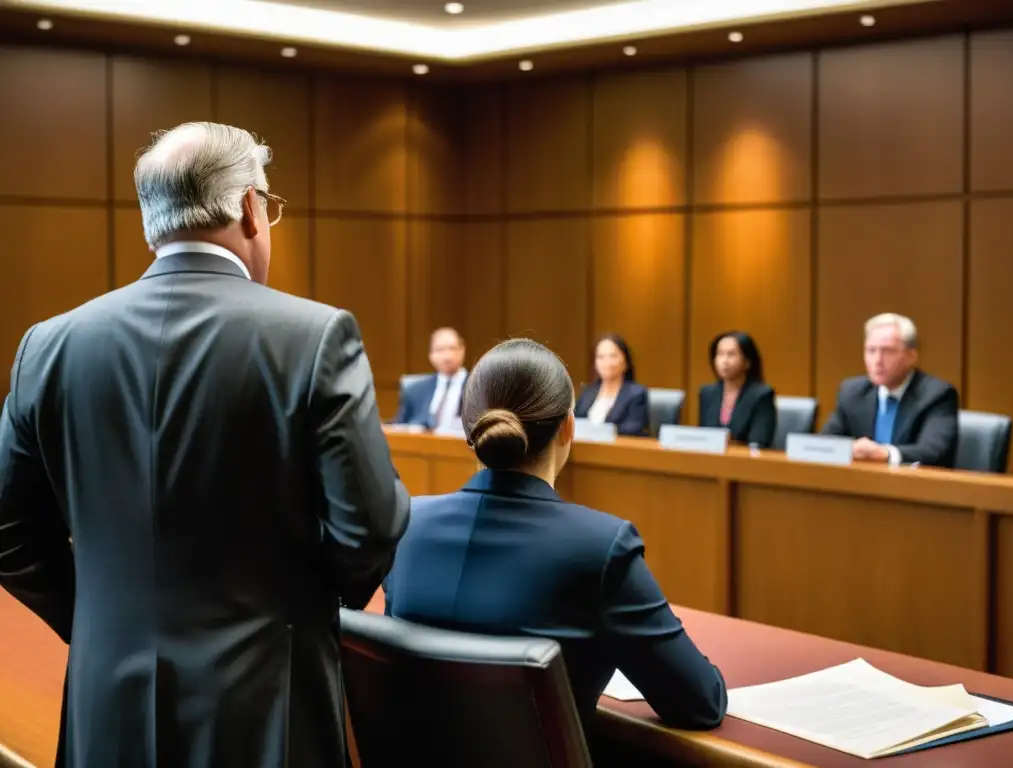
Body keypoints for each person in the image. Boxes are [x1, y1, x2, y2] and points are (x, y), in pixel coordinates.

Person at [0, 122, 410, 767]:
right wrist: (296, 605)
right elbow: (371, 526)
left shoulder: (48, 347)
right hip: (267, 694)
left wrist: (98, 615)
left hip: (107, 691)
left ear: (149, 222)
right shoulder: (313, 336)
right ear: (250, 207)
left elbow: (8, 529)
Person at [384, 339, 727, 745]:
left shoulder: (406, 524)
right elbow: (698, 701)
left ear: (468, 427)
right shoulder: (600, 546)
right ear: (568, 427)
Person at [821, 312, 959, 467]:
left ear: (911, 356)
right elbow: (827, 442)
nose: (878, 360)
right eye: (871, 350)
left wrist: (885, 454)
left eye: (887, 351)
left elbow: (934, 451)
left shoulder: (937, 395)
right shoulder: (852, 392)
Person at [698, 331, 777, 447]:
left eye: (731, 354)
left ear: (747, 362)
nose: (724, 361)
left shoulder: (761, 396)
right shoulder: (707, 393)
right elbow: (703, 438)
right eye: (719, 354)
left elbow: (759, 443)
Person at [574, 334, 650, 436]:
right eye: (601, 357)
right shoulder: (588, 391)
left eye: (613, 356)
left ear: (626, 362)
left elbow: (633, 429)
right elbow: (574, 422)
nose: (607, 362)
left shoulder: (637, 394)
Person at [393, 327, 467, 430]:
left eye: (452, 348)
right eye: (440, 350)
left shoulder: (479, 387)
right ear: (431, 355)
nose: (447, 356)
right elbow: (399, 427)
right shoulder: (414, 391)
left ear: (462, 350)